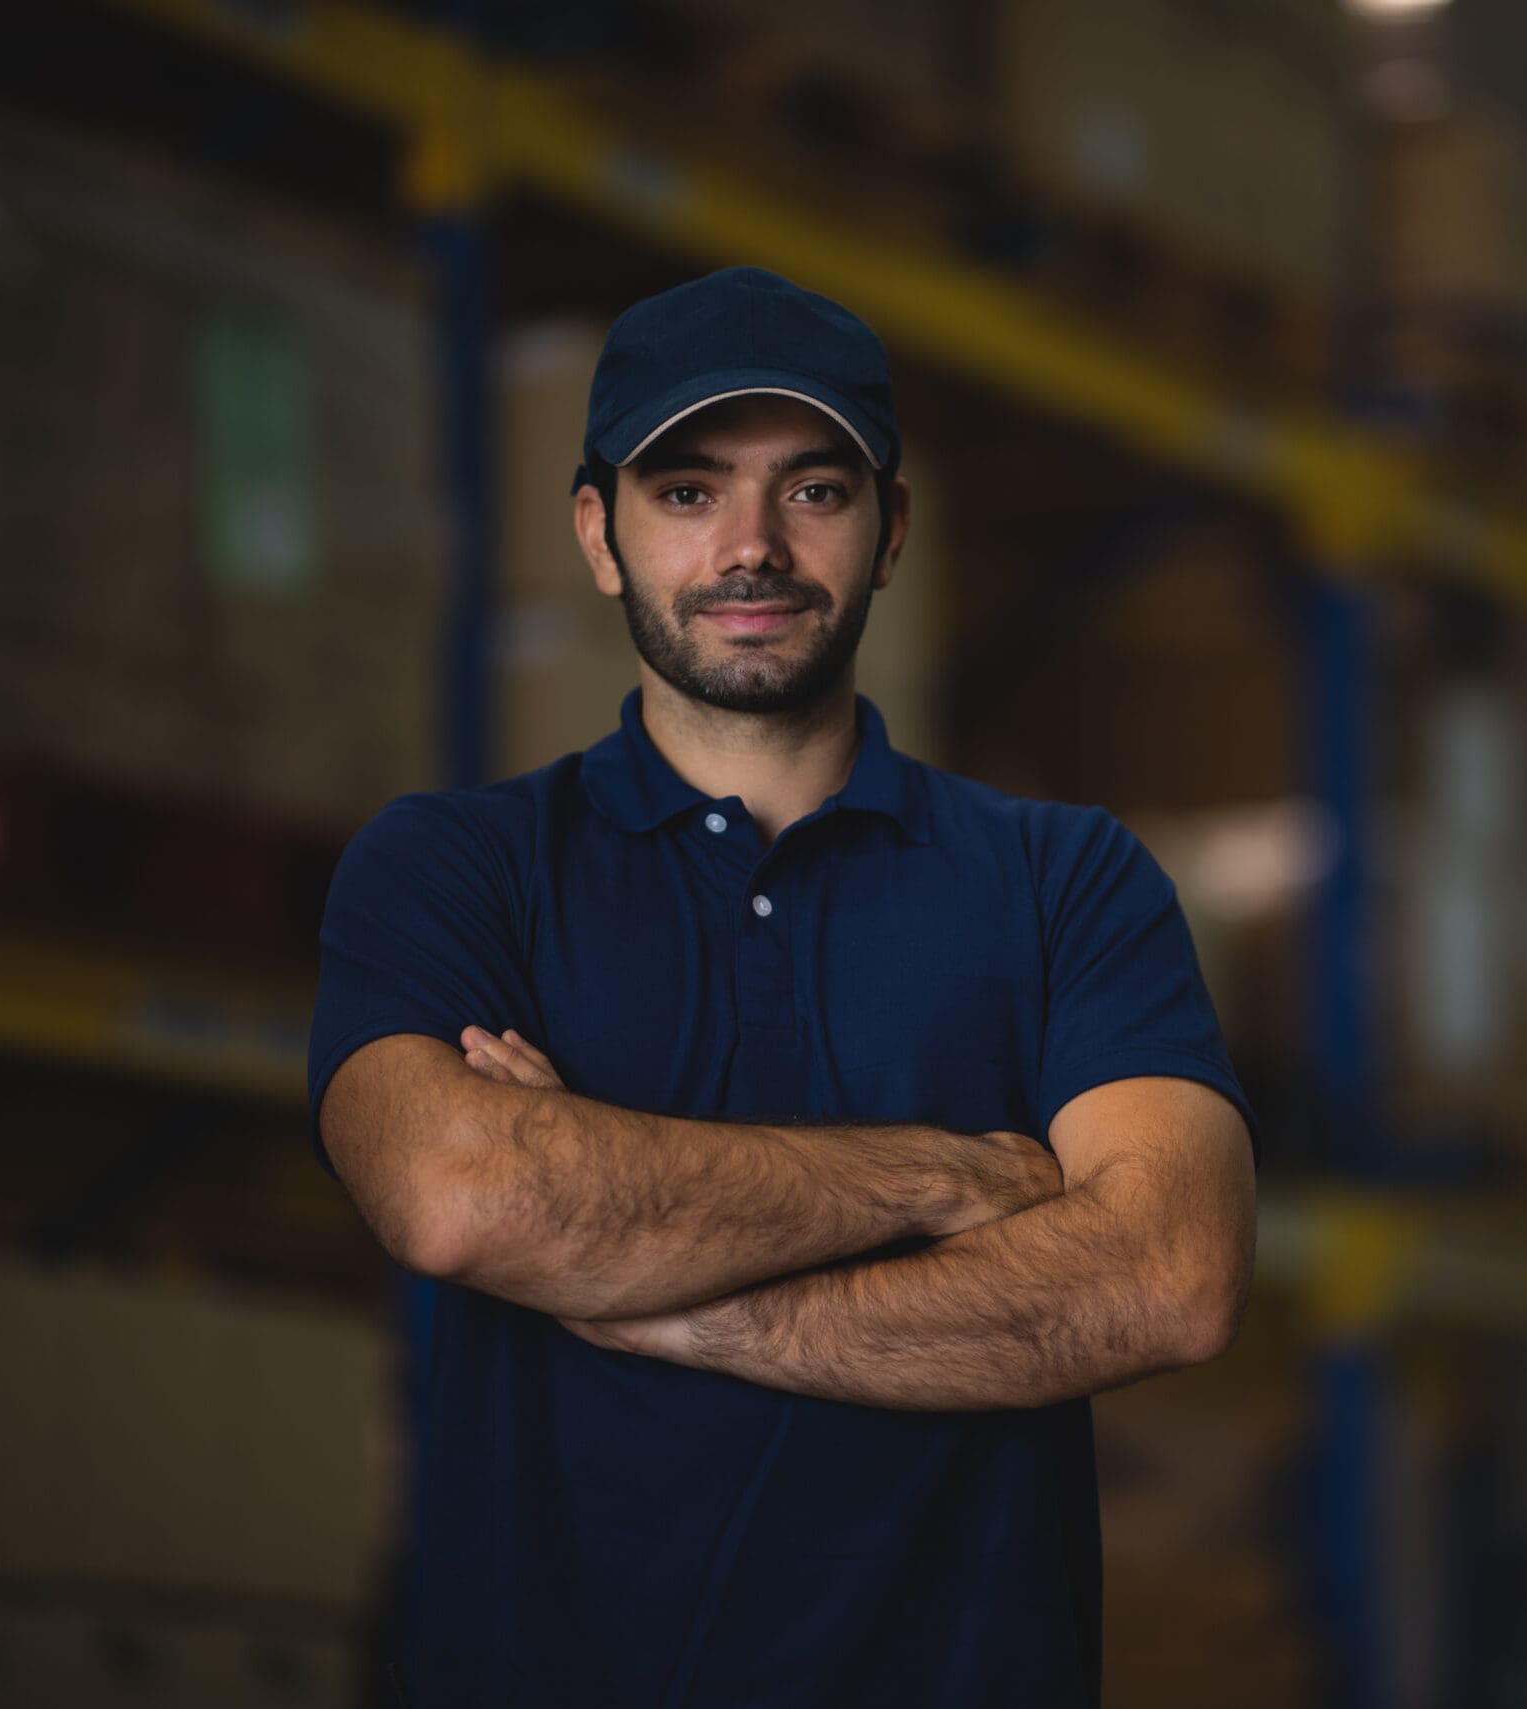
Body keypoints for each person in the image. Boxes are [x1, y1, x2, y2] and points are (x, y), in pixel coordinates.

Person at [307, 265, 1259, 1707]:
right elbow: (459, 1195)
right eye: (687, 492)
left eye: (813, 491)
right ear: (597, 532)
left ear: (891, 534)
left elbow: (1167, 1279)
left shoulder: (1066, 879)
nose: (752, 547)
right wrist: (941, 1174)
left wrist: (677, 1308)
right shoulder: (454, 867)